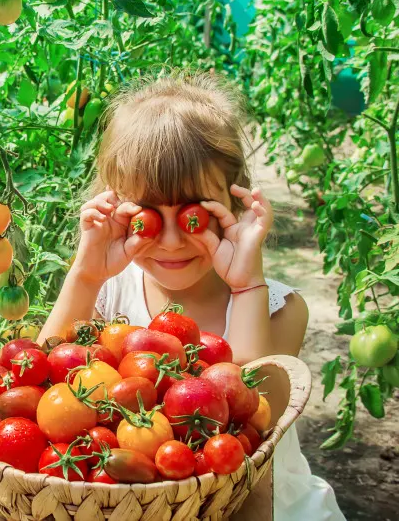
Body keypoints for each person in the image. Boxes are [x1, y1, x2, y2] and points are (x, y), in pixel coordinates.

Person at [38, 70, 345, 520]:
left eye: (193, 216)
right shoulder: (104, 296)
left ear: (233, 201)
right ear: (116, 206)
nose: (170, 241)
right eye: (146, 215)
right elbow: (45, 379)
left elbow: (249, 423)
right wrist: (85, 275)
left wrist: (245, 286)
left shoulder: (281, 309)